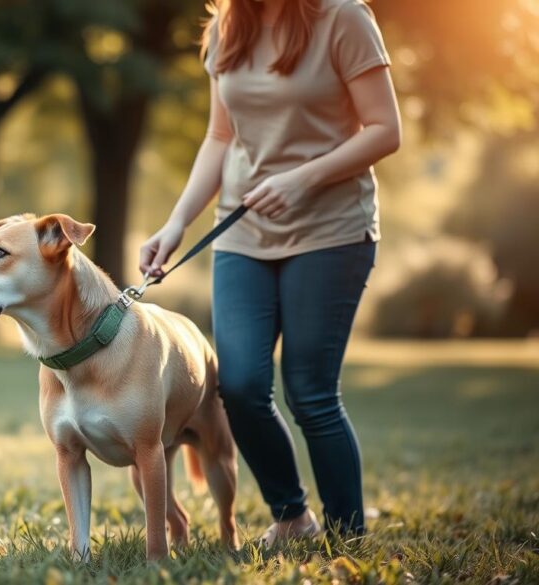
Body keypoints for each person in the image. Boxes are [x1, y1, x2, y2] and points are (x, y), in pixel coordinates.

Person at [139, 0, 400, 545]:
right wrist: (177, 221)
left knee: (310, 392)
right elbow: (219, 137)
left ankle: (348, 538)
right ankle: (292, 516)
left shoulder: (344, 19)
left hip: (332, 231)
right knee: (239, 386)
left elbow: (384, 129)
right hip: (241, 233)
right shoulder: (227, 28)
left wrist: (303, 179)